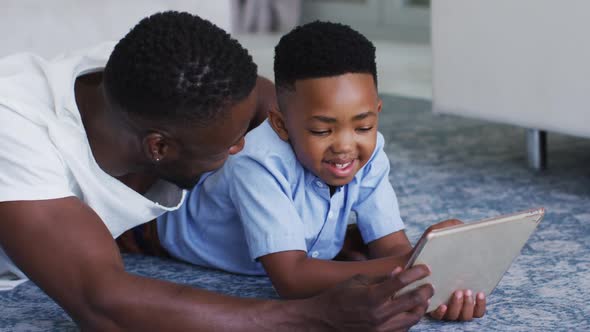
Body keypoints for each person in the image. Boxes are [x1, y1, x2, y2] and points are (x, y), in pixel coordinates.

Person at [0, 11, 435, 331]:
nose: (246, 145)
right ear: (158, 147)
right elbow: (104, 305)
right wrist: (314, 316)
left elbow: (275, 107)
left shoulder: (154, 82)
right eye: (230, 145)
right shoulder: (19, 135)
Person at [157, 21, 486, 322]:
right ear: (281, 125)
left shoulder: (370, 153)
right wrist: (416, 264)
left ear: (377, 112)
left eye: (363, 125)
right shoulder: (256, 162)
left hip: (305, 242)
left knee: (359, 253)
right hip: (167, 232)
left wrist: (438, 288)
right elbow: (292, 278)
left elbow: (390, 247)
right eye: (322, 131)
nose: (345, 146)